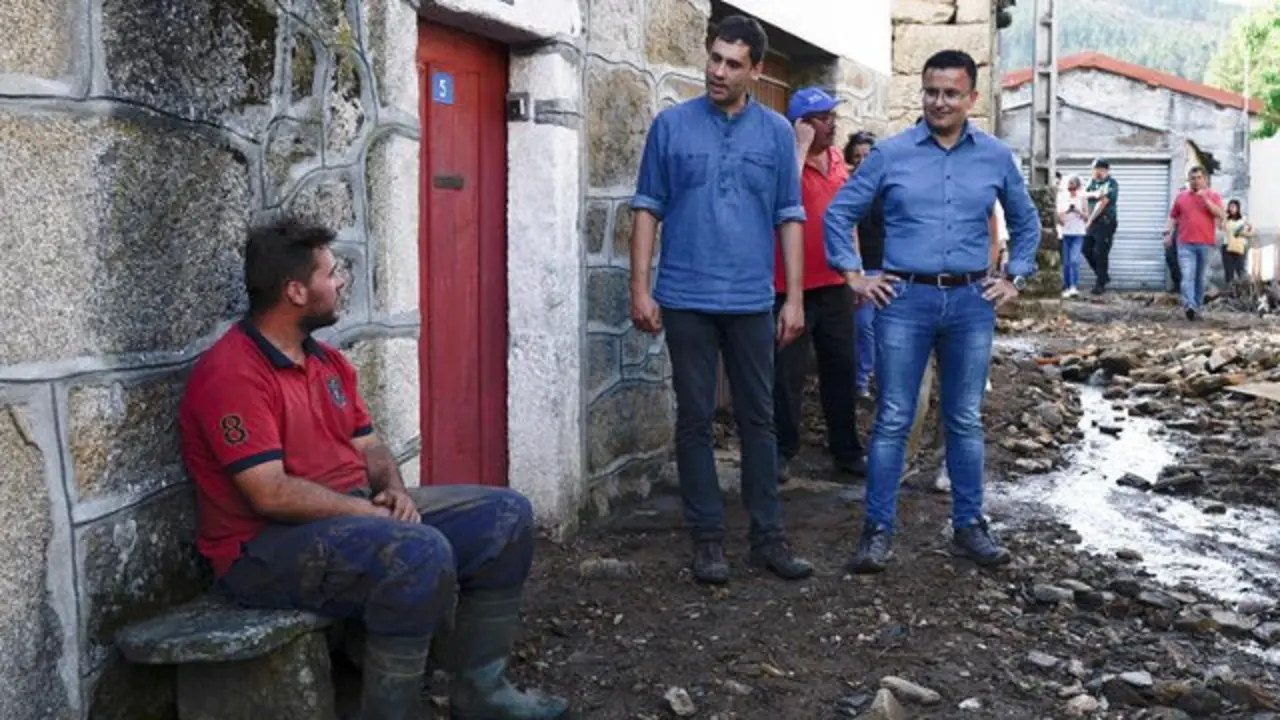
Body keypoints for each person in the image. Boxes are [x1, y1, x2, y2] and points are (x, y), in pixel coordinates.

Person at [178, 218, 568, 720]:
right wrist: (366, 512)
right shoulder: (233, 374)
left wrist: (394, 492)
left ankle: (481, 691)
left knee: (506, 516)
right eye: (330, 273)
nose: (340, 283)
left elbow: (372, 445)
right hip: (261, 549)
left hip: (348, 515)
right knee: (417, 553)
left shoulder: (327, 364)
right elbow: (269, 494)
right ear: (296, 291)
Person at [823, 49, 1041, 573]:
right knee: (894, 417)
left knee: (964, 418)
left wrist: (1014, 276)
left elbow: (1026, 221)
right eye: (931, 91)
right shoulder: (890, 154)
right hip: (904, 301)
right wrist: (854, 273)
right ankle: (877, 531)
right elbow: (839, 212)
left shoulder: (994, 157)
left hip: (971, 302)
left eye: (950, 93)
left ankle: (969, 526)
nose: (939, 102)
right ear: (922, 92)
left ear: (970, 98)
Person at [628, 14, 812, 585]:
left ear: (756, 70)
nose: (718, 71)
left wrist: (795, 298)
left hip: (752, 300)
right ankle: (707, 539)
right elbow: (646, 208)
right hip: (685, 296)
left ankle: (768, 536)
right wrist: (640, 286)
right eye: (714, 58)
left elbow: (790, 216)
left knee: (760, 418)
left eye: (733, 63)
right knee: (695, 418)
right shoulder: (671, 127)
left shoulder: (778, 134)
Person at [773, 88, 867, 484]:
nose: (832, 124)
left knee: (840, 371)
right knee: (786, 377)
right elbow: (782, 200)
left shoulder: (839, 163)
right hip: (790, 289)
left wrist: (856, 272)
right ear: (803, 125)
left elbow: (850, 221)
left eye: (832, 116)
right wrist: (798, 149)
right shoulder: (785, 162)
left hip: (834, 286)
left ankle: (846, 451)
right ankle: (781, 451)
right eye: (823, 118)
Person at [845, 130, 882, 398]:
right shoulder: (846, 190)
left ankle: (882, 379)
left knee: (885, 329)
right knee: (864, 327)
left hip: (888, 269)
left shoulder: (888, 189)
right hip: (861, 270)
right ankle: (862, 380)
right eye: (856, 156)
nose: (861, 162)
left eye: (866, 156)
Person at [1164, 166, 1224, 320]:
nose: (1195, 181)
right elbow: (1172, 216)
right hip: (1185, 243)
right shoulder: (1181, 197)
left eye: (1199, 178)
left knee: (1200, 278)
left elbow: (1219, 213)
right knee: (1187, 275)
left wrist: (1205, 199)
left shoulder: (1213, 195)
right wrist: (1168, 233)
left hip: (1206, 244)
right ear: (1188, 180)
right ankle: (1189, 305)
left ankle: (1197, 306)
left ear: (1205, 179)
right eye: (1193, 178)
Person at [1083, 158, 1119, 295]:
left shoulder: (1111, 183)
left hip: (1105, 222)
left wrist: (1089, 220)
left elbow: (1102, 202)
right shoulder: (1091, 183)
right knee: (1085, 248)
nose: (1096, 172)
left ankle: (1100, 284)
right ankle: (1103, 276)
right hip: (1092, 222)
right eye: (1094, 170)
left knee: (1100, 252)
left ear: (1105, 170)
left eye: (1099, 170)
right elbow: (1083, 196)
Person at [1058, 176, 1088, 297]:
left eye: (1074, 188)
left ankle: (1074, 286)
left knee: (1074, 260)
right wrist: (1067, 211)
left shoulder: (1082, 199)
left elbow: (1086, 217)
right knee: (1066, 262)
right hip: (1066, 233)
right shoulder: (1063, 199)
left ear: (1078, 187)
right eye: (1069, 188)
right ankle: (1066, 286)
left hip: (1078, 233)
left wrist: (1077, 211)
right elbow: (1059, 219)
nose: (1072, 191)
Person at [1222, 199, 1254, 284]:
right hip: (1227, 247)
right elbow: (1223, 228)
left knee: (1241, 270)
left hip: (1240, 247)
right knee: (1229, 272)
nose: (1231, 208)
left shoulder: (1243, 219)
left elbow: (1251, 232)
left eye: (1233, 206)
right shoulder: (1227, 219)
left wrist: (1243, 233)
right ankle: (1230, 293)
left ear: (1238, 208)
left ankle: (1243, 293)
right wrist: (1225, 217)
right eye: (1230, 206)